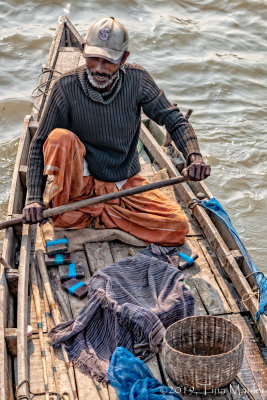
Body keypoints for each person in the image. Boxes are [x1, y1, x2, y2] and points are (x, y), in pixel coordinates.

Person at [22, 16, 210, 246]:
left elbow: (174, 120)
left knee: (176, 228)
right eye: (94, 59)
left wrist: (195, 156)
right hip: (80, 185)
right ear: (83, 51)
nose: (99, 69)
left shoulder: (137, 80)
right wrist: (33, 199)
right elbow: (38, 144)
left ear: (124, 58)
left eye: (108, 61)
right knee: (59, 138)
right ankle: (96, 211)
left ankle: (97, 214)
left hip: (122, 183)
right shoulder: (66, 87)